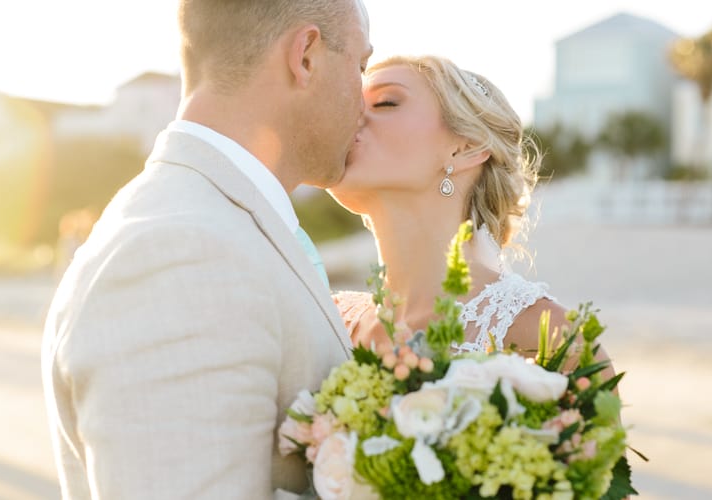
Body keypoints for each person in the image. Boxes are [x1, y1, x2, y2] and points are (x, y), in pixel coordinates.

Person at [41, 1, 372, 498]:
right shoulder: (178, 254)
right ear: (305, 56)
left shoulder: (209, 226)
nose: (365, 103)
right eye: (362, 67)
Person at [330, 55, 615, 373]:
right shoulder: (329, 321)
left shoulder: (552, 338)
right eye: (352, 103)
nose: (350, 117)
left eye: (384, 103)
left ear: (466, 148)